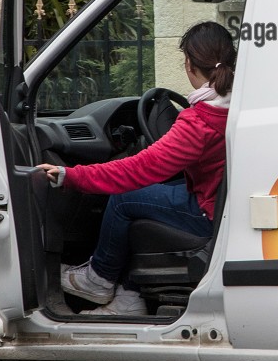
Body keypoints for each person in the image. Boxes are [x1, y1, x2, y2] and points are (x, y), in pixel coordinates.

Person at [36, 21, 236, 316]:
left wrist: (72, 175)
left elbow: (138, 170)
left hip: (207, 214)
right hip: (220, 202)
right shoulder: (237, 102)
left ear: (190, 65)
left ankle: (98, 279)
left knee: (126, 198)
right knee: (155, 192)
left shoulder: (200, 122)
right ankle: (129, 297)